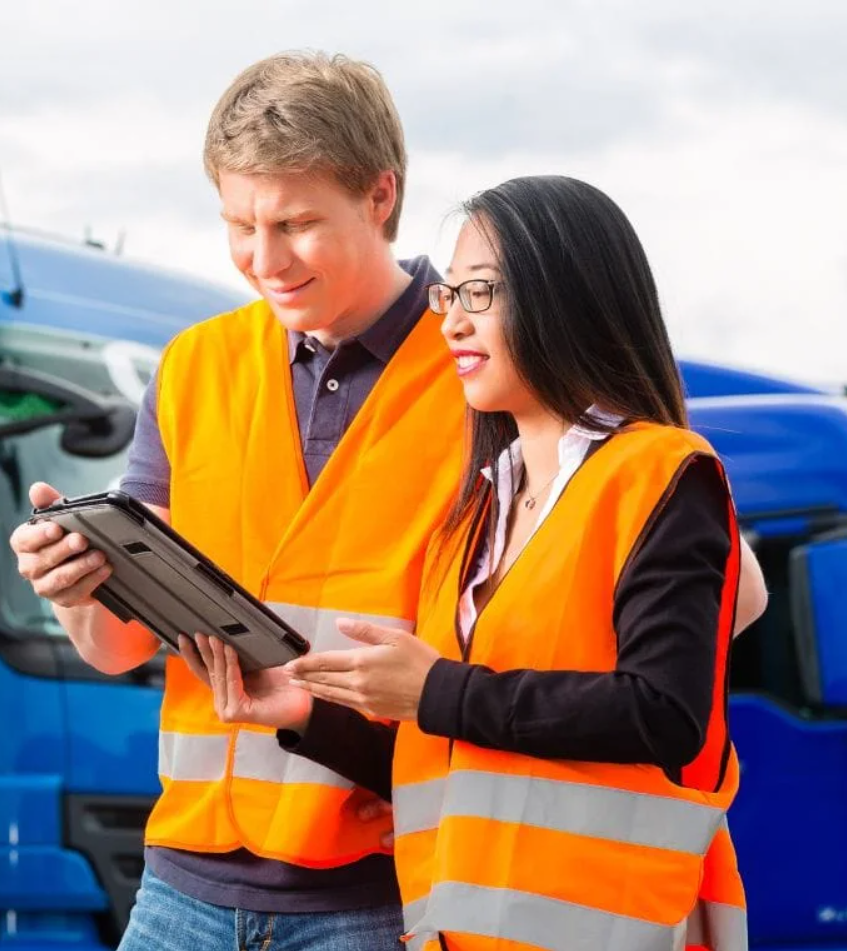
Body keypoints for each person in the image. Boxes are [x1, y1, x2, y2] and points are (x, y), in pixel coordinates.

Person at [11, 51, 765, 951]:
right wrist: (73, 592)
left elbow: (721, 602)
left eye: (295, 223)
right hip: (187, 873)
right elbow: (117, 644)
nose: (263, 259)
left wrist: (452, 694)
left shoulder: (491, 374)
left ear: (379, 196)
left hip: (382, 880)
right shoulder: (191, 370)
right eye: (238, 224)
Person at [191, 174, 753, 951]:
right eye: (445, 295)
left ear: (568, 296)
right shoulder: (475, 514)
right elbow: (451, 745)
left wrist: (436, 688)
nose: (450, 320)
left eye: (478, 293)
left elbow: (665, 715)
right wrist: (308, 716)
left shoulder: (661, 472)